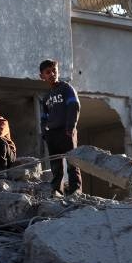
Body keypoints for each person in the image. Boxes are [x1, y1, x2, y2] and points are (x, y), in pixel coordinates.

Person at [39, 58, 82, 195]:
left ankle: (76, 191)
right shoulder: (46, 97)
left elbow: (74, 106)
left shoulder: (66, 88)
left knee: (72, 162)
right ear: (42, 76)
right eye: (48, 72)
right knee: (55, 165)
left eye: (54, 71)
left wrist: (70, 127)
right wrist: (45, 133)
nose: (52, 74)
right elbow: (44, 118)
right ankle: (57, 190)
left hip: (67, 131)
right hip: (53, 134)